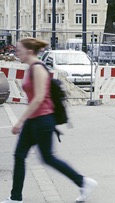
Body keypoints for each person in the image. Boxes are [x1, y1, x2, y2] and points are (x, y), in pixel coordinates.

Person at [3, 38, 97, 203]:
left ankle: (83, 182)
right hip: (35, 120)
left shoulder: (38, 68)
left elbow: (39, 98)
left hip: (42, 119)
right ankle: (15, 197)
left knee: (48, 158)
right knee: (20, 155)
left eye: (19, 50)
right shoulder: (31, 67)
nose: (17, 53)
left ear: (29, 51)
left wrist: (20, 121)